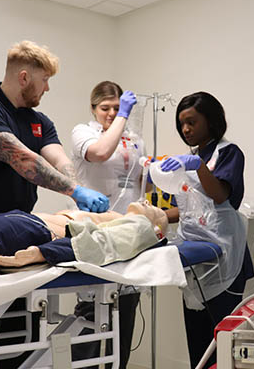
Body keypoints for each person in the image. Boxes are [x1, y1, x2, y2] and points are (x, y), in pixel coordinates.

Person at [0, 40, 109, 369]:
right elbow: (22, 159)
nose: (47, 88)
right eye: (44, 81)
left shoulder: (39, 120)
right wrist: (75, 190)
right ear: (25, 77)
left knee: (17, 337)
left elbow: (56, 158)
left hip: (17, 236)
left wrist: (77, 191)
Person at [160, 92, 254, 369]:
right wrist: (155, 216)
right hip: (197, 262)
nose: (186, 130)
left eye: (192, 122)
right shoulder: (191, 158)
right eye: (182, 124)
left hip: (226, 259)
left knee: (223, 343)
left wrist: (198, 166)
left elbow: (220, 196)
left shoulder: (228, 153)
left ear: (210, 121)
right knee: (198, 344)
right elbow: (192, 209)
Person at [71, 80, 151, 368]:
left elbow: (140, 184)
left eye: (117, 107)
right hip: (93, 228)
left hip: (127, 229)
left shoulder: (135, 139)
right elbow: (101, 152)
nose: (112, 113)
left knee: (126, 308)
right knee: (92, 309)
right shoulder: (83, 133)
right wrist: (123, 117)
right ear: (94, 109)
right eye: (105, 108)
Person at [0, 200, 168, 275]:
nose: (148, 203)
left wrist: (42, 253)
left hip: (10, 231)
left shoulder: (140, 228)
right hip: (6, 226)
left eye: (156, 210)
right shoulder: (120, 219)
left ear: (156, 229)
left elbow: (98, 247)